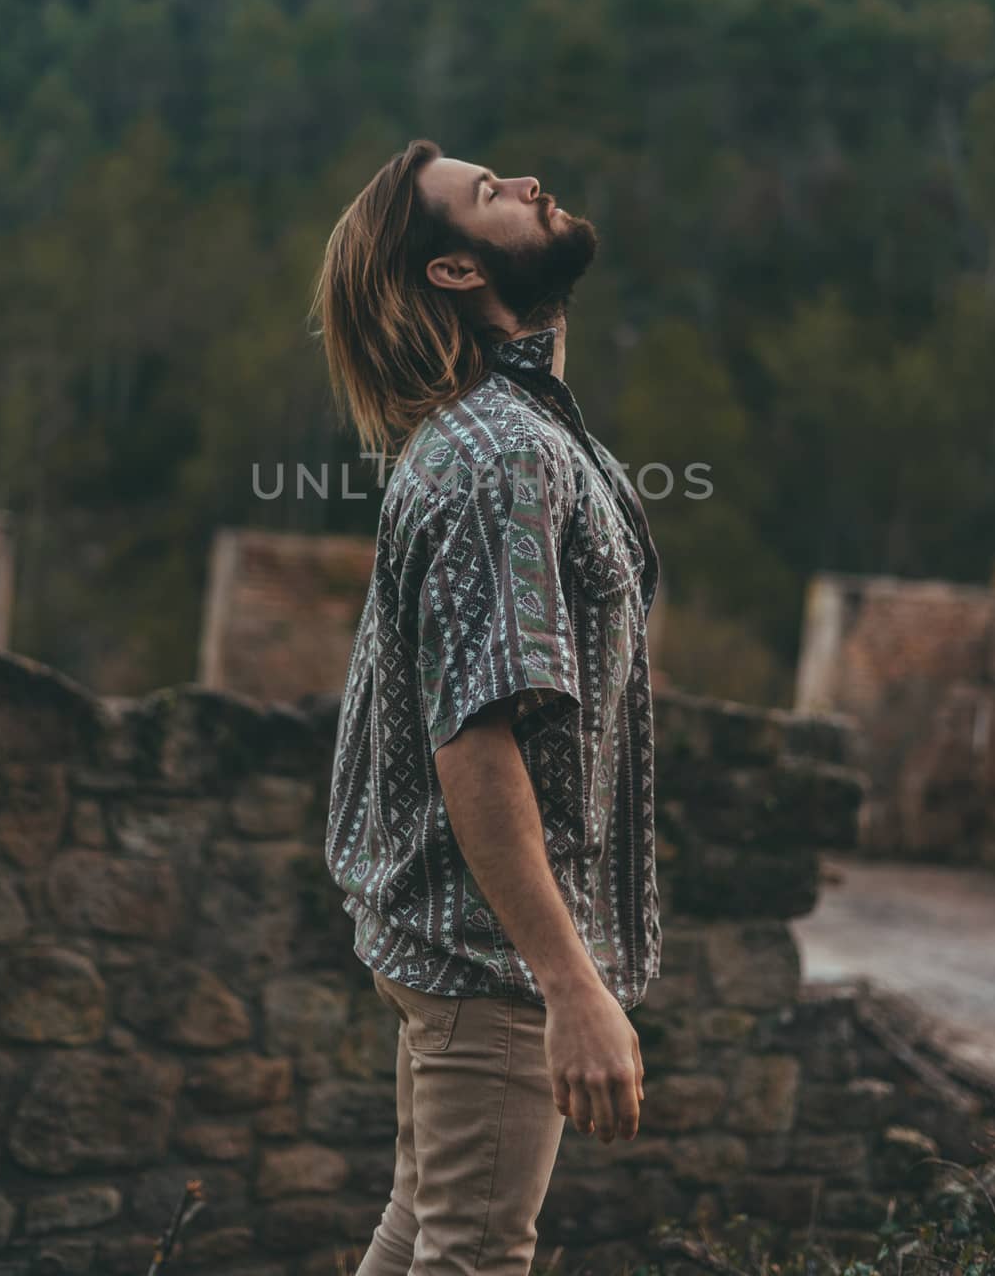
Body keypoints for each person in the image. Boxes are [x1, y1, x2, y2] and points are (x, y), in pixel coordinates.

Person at [312, 139, 662, 1276]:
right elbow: (474, 735)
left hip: (459, 944)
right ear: (456, 271)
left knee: (423, 1232)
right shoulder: (500, 456)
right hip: (488, 958)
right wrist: (569, 986)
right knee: (471, 1255)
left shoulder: (508, 434)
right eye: (484, 193)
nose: (523, 183)